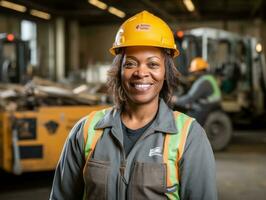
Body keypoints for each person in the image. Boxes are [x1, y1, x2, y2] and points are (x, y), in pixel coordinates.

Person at [50, 11, 217, 200]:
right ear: (119, 71)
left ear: (166, 72)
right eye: (130, 64)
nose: (141, 72)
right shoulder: (86, 131)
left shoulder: (189, 137)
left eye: (153, 64)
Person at [172, 57, 222, 125]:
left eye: (194, 72)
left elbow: (190, 98)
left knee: (187, 119)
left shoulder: (203, 82)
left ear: (199, 71)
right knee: (189, 105)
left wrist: (176, 100)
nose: (193, 74)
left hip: (206, 106)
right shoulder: (209, 78)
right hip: (213, 104)